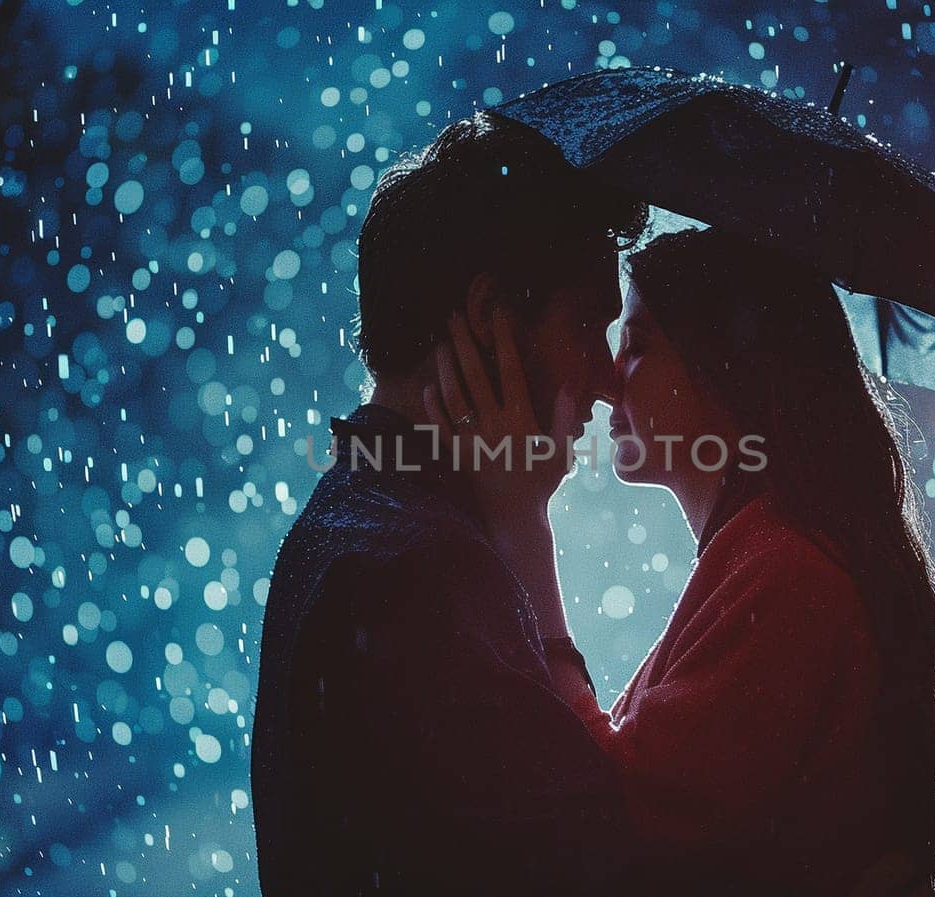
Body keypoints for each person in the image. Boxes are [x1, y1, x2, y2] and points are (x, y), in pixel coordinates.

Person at [427, 226, 935, 896]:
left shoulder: (789, 574)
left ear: (726, 369)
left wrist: (523, 526)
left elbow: (614, 819)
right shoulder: (762, 557)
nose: (605, 378)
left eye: (638, 344)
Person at [250, 111, 649, 896]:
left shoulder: (355, 520)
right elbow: (600, 855)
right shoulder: (424, 569)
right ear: (490, 315)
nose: (608, 382)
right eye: (585, 324)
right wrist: (524, 528)